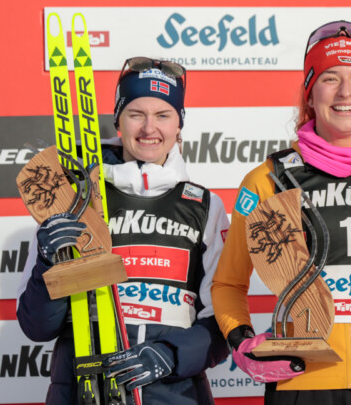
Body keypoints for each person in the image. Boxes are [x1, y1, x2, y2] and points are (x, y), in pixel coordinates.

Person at [212, 21, 351, 405]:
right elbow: (228, 284)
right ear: (310, 94)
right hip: (302, 383)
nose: (346, 92)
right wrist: (240, 341)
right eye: (330, 78)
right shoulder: (269, 179)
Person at [17, 57, 230, 404]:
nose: (149, 128)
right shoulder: (76, 197)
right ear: (118, 119)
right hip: (84, 390)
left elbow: (222, 320)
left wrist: (172, 354)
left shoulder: (206, 206)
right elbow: (37, 326)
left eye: (163, 115)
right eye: (136, 114)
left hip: (175, 394)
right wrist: (47, 263)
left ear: (179, 124)